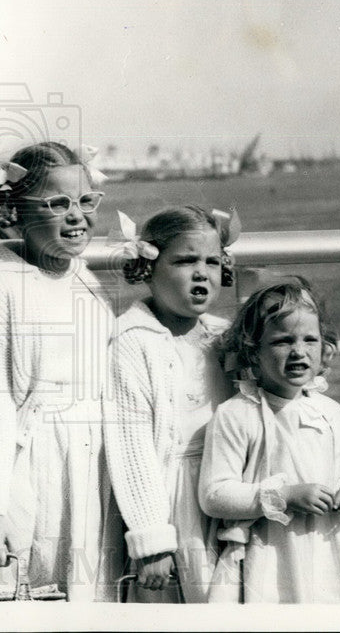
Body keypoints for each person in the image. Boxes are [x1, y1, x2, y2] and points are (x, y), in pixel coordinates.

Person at [0, 141, 123, 602]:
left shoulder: (85, 280)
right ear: (16, 209)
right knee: (30, 582)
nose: (77, 216)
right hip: (34, 464)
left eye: (86, 201)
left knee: (88, 587)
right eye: (57, 204)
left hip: (89, 462)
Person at [198, 278, 340, 603]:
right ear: (253, 350)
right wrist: (284, 496)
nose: (299, 351)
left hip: (331, 549)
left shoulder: (329, 411)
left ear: (324, 347)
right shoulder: (236, 414)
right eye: (283, 341)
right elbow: (214, 495)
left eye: (310, 340)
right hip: (269, 554)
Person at [105, 206, 239, 603]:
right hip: (171, 499)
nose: (202, 273)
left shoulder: (224, 337)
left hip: (227, 491)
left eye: (212, 262)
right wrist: (152, 539)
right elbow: (132, 447)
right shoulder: (133, 340)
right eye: (185, 261)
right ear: (147, 268)